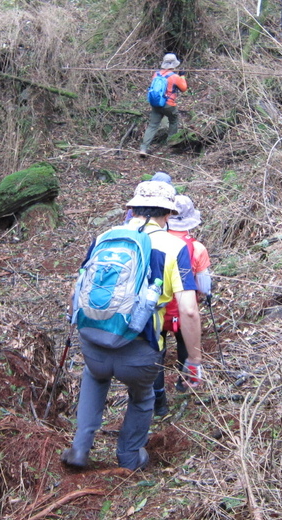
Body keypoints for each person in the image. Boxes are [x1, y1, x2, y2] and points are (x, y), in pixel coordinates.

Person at [62, 181, 203, 471]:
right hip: (140, 349)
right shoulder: (175, 247)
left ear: (133, 208)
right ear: (168, 214)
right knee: (142, 397)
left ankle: (79, 448)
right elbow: (188, 311)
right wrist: (195, 360)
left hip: (94, 340)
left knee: (94, 376)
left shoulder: (105, 236)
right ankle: (129, 457)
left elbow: (76, 289)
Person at [153, 195, 212, 417]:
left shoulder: (154, 243)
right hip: (182, 311)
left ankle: (159, 403)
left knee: (157, 353)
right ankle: (184, 381)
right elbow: (204, 286)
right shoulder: (197, 248)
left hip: (155, 311)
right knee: (184, 343)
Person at [140, 54, 188, 156]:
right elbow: (184, 88)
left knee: (152, 125)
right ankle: (170, 145)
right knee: (174, 119)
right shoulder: (175, 77)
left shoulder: (156, 74)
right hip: (168, 104)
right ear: (174, 64)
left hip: (155, 104)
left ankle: (143, 149)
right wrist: (182, 76)